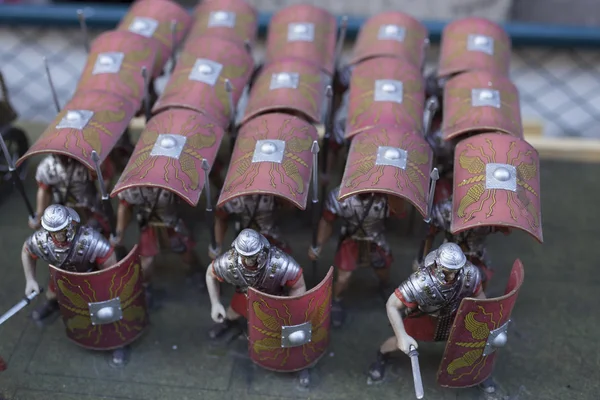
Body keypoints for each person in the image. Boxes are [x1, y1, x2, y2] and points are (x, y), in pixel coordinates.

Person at [367, 242, 498, 394]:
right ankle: (382, 355)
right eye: (449, 271)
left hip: (455, 317)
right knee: (399, 343)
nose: (453, 276)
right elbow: (392, 304)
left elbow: (478, 295)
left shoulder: (470, 274)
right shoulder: (420, 281)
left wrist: (483, 319)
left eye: (456, 271)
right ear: (438, 265)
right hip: (426, 318)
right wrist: (402, 336)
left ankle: (479, 373)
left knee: (475, 342)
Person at [21, 205, 128, 366]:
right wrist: (30, 280)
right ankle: (52, 305)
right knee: (52, 294)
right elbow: (26, 251)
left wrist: (109, 289)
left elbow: (109, 262)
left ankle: (118, 340)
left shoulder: (90, 240)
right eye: (58, 229)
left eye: (66, 226)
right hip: (62, 279)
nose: (66, 229)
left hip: (91, 280)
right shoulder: (41, 241)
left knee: (107, 310)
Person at [308, 187, 400, 327]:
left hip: (375, 239)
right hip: (351, 239)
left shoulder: (384, 197)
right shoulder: (340, 196)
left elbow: (399, 211)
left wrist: (396, 197)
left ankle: (385, 285)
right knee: (343, 278)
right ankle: (337, 300)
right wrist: (319, 244)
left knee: (383, 270)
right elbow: (327, 221)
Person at [111, 187, 204, 306]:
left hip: (172, 223)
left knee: (185, 252)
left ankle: (195, 271)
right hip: (149, 225)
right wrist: (119, 232)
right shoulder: (135, 185)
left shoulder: (173, 178)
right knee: (146, 261)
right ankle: (145, 287)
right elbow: (125, 206)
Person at [206, 229, 305, 339]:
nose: (249, 261)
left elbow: (298, 284)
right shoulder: (229, 262)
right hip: (246, 295)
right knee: (234, 311)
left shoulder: (279, 262)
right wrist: (215, 303)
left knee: (275, 325)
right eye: (245, 256)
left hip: (273, 298)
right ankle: (228, 322)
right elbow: (210, 274)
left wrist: (293, 311)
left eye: (253, 255)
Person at [29, 155, 111, 236]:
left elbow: (103, 177)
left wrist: (97, 166)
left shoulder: (86, 161)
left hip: (90, 210)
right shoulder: (46, 166)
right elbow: (44, 190)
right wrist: (39, 214)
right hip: (61, 212)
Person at [209, 195, 292, 260]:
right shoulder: (236, 194)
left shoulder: (273, 190)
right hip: (245, 242)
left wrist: (283, 196)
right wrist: (217, 244)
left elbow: (290, 206)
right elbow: (221, 217)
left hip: (273, 240)